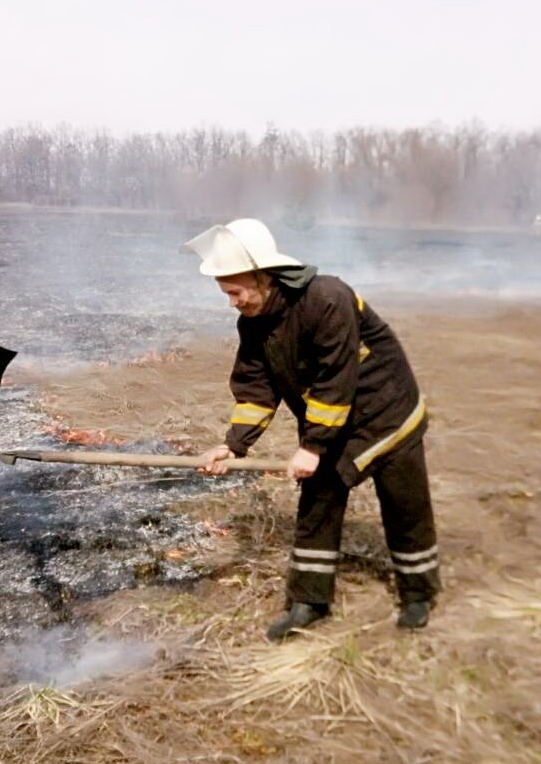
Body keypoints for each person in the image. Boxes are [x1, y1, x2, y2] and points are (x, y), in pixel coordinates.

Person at [182, 218, 440, 641]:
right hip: (336, 419)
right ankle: (309, 601)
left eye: (236, 290)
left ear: (264, 276)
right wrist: (233, 446)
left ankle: (418, 594)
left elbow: (335, 377)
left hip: (388, 411)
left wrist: (313, 445)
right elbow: (256, 389)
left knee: (405, 504)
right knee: (317, 501)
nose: (232, 301)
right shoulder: (254, 323)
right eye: (226, 293)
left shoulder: (328, 298)